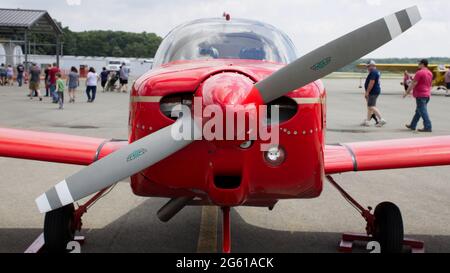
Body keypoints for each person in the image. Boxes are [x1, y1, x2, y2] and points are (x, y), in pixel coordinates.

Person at [404, 59, 433, 133]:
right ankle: (412, 125)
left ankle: (428, 126)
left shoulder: (419, 72)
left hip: (420, 95)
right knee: (419, 111)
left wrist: (407, 92)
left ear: (422, 64)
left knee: (422, 111)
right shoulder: (430, 73)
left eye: (419, 63)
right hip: (427, 94)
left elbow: (413, 83)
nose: (418, 64)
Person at [361, 60, 387, 127]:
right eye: (367, 66)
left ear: (372, 65)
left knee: (371, 106)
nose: (367, 68)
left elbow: (371, 82)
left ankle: (381, 119)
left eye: (368, 66)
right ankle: (367, 121)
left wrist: (367, 92)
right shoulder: (376, 72)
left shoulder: (373, 72)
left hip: (373, 91)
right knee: (370, 107)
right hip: (375, 91)